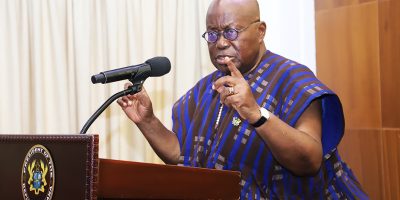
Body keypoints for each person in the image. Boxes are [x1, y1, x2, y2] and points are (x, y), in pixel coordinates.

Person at [117, 0, 368, 199]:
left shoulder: (292, 79)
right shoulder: (206, 89)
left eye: (231, 31)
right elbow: (183, 156)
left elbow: (310, 160)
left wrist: (256, 114)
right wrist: (147, 121)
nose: (222, 43)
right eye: (213, 35)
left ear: (260, 31)